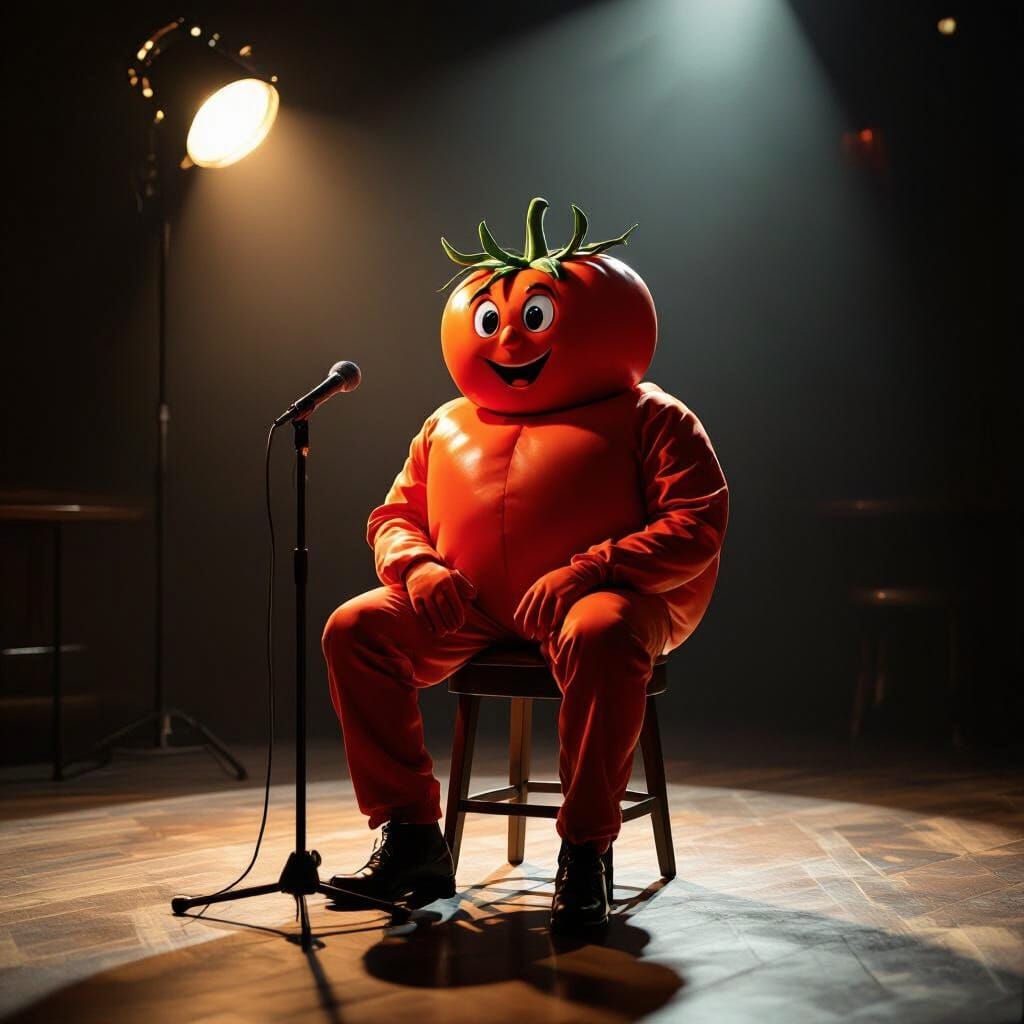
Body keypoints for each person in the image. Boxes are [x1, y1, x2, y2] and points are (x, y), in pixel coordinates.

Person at [322, 198, 728, 931]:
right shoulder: (445, 423)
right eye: (492, 319)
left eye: (533, 317)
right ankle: (411, 836)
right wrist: (416, 568)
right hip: (470, 604)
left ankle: (585, 849)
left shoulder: (651, 415)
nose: (509, 335)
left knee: (602, 635)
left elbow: (696, 523)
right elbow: (393, 518)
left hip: (605, 601)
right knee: (354, 630)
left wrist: (589, 570)